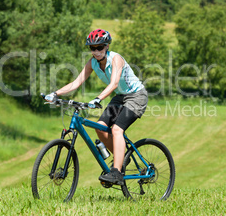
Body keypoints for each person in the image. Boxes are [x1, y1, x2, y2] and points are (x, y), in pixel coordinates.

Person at [44, 29, 148, 185]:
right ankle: (122, 160)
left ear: (106, 46)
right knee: (100, 127)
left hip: (136, 96)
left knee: (117, 130)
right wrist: (55, 94)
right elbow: (75, 83)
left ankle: (116, 172)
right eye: (92, 48)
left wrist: (98, 98)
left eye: (100, 47)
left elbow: (113, 83)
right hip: (120, 97)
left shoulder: (116, 59)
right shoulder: (92, 63)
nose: (96, 51)